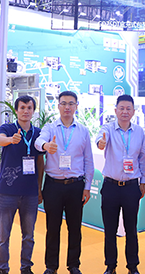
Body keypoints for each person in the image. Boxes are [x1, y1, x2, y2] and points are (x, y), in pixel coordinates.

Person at [34, 91, 94, 274]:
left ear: (76, 106)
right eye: (64, 103)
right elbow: (38, 141)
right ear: (58, 106)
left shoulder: (83, 131)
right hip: (53, 185)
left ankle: (74, 265)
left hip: (76, 186)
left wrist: (87, 187)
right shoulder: (50, 128)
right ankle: (51, 266)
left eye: (71, 103)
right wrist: (46, 146)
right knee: (52, 228)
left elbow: (88, 161)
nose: (67, 107)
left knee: (75, 228)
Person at [95, 95, 145, 274]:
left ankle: (132, 266)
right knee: (109, 229)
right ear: (115, 110)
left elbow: (143, 158)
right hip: (110, 186)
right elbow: (100, 141)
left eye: (128, 108)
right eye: (122, 108)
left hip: (131, 187)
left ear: (133, 111)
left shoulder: (139, 132)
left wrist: (143, 181)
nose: (125, 112)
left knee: (131, 229)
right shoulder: (108, 129)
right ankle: (110, 266)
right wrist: (101, 143)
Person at [0, 95, 45, 274]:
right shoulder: (8, 128)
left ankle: (26, 268)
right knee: (3, 236)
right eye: (22, 107)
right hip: (7, 193)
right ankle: (3, 268)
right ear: (16, 110)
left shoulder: (38, 133)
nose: (26, 111)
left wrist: (39, 188)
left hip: (30, 193)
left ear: (33, 111)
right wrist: (11, 140)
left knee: (29, 235)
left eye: (29, 108)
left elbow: (40, 163)